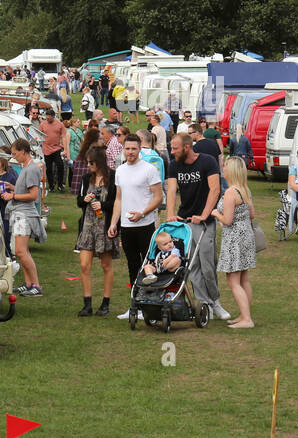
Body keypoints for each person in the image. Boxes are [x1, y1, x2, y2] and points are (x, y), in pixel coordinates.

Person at [165, 132, 228, 321]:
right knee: (192, 266)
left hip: (205, 222)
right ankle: (204, 304)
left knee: (208, 265)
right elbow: (172, 190)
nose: (172, 151)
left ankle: (215, 301)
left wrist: (204, 214)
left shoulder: (207, 162)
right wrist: (170, 214)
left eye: (175, 148)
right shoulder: (175, 164)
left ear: (186, 147)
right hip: (185, 222)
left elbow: (215, 189)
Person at [111, 136, 164, 319]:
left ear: (140, 149)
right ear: (123, 149)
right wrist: (113, 223)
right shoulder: (120, 170)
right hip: (126, 226)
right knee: (132, 265)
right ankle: (135, 306)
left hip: (145, 225)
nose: (130, 152)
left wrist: (143, 212)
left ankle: (151, 305)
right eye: (127, 149)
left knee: (148, 266)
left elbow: (158, 197)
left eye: (134, 149)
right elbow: (119, 198)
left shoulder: (149, 169)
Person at [213, 156, 258, 328]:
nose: (223, 169)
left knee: (233, 280)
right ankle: (244, 314)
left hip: (234, 239)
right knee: (243, 279)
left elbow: (228, 220)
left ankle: (247, 319)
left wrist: (216, 213)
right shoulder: (245, 189)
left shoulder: (231, 192)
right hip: (246, 235)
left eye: (225, 166)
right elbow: (252, 214)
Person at [75, 153, 119, 317]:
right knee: (84, 265)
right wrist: (85, 199)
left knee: (106, 266)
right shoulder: (87, 178)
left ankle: (105, 304)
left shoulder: (113, 177)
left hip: (105, 226)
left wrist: (102, 204)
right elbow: (78, 201)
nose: (88, 165)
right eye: (87, 162)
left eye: (91, 162)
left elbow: (117, 202)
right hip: (87, 227)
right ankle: (87, 304)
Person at [0, 140, 44, 296]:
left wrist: (13, 195)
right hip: (19, 213)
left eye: (15, 153)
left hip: (24, 215)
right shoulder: (25, 167)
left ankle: (36, 286)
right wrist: (12, 187)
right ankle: (28, 283)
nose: (13, 156)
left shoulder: (31, 169)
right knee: (22, 251)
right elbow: (25, 188)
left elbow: (33, 195)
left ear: (24, 151)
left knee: (20, 251)